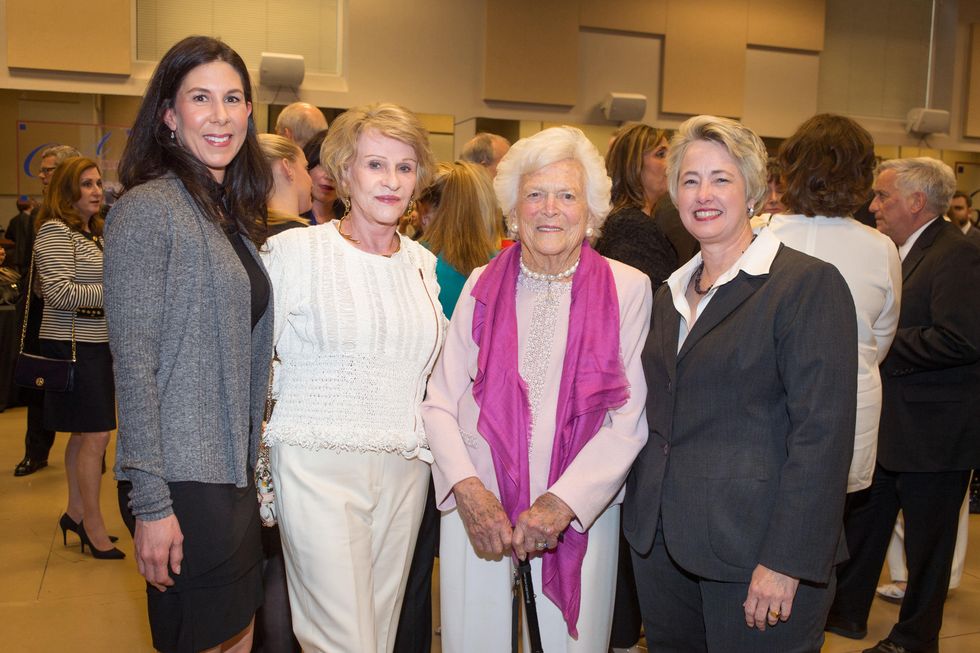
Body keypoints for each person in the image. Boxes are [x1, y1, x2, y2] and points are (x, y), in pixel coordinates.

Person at [624, 115, 858, 653]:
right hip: (661, 547)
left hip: (756, 553)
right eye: (689, 179)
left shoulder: (805, 285)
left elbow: (822, 439)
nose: (703, 194)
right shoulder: (670, 293)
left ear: (753, 190)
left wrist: (786, 560)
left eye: (721, 178)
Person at [423, 125, 653, 652]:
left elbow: (627, 421)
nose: (550, 209)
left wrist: (561, 503)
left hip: (574, 509)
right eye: (535, 194)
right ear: (513, 207)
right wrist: (468, 489)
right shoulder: (482, 281)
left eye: (567, 195)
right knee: (474, 639)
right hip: (479, 505)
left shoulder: (628, 288)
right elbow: (438, 400)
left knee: (569, 644)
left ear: (591, 210)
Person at [104, 35, 274, 653]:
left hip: (228, 481)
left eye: (233, 98)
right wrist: (150, 503)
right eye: (200, 98)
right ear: (170, 116)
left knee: (238, 638)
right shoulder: (150, 210)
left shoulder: (226, 216)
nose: (220, 114)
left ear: (250, 113)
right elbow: (135, 366)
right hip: (179, 482)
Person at [261, 102, 443, 653]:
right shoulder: (293, 251)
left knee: (381, 635)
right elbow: (255, 366)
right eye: (375, 165)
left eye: (405, 167)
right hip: (317, 466)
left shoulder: (422, 264)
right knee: (342, 642)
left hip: (406, 469)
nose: (391, 181)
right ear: (343, 172)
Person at [826, 157, 980, 653]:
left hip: (936, 432)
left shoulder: (958, 254)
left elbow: (960, 339)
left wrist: (880, 340)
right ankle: (847, 615)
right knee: (866, 528)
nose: (873, 206)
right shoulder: (901, 249)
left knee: (927, 549)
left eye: (882, 196)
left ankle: (916, 639)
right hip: (898, 426)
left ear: (917, 202)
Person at [394, 159, 503, 653]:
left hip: (421, 437)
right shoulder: (503, 275)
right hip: (483, 448)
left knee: (409, 580)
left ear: (435, 208)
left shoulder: (418, 268)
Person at [768, 113, 901, 495]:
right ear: (862, 175)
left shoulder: (760, 234)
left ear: (791, 168)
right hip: (848, 406)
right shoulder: (881, 248)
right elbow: (880, 340)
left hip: (767, 411)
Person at [32, 156, 122, 560]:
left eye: (98, 183)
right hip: (71, 347)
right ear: (67, 191)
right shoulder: (54, 231)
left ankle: (75, 512)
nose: (96, 191)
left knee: (84, 434)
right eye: (86, 184)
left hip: (95, 345)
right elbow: (59, 293)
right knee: (97, 435)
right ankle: (93, 525)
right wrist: (115, 294)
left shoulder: (94, 234)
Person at [12, 145, 81, 477]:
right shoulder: (37, 216)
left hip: (82, 320)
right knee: (40, 382)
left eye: (48, 169)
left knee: (85, 391)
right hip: (41, 314)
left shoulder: (89, 217)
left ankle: (90, 457)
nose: (41, 175)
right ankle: (35, 451)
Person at [594, 123, 677, 289]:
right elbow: (648, 297)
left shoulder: (628, 219)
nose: (671, 162)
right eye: (660, 154)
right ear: (633, 165)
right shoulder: (630, 226)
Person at [258, 133, 312, 238]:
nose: (310, 180)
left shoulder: (247, 235)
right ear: (287, 168)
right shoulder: (303, 239)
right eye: (306, 168)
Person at [300, 130, 342, 225]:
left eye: (337, 168)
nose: (329, 176)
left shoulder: (352, 220)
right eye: (322, 165)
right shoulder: (292, 220)